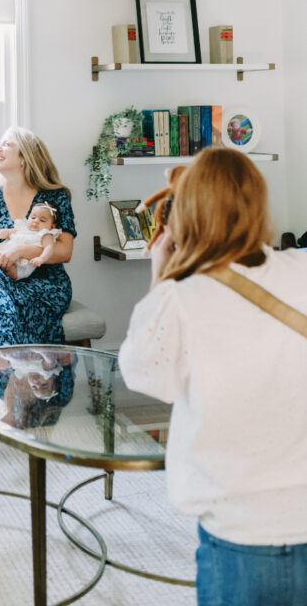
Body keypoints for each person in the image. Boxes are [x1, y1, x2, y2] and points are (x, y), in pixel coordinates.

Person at [119, 148, 307, 606]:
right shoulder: (301, 269)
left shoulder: (181, 299)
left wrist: (160, 274)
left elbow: (146, 376)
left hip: (243, 527)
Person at [0, 127, 75, 349]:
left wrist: (20, 251)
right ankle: (11, 364)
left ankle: (2, 366)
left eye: (7, 144)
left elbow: (64, 252)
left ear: (25, 157)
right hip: (1, 280)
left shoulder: (54, 197)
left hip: (45, 285)